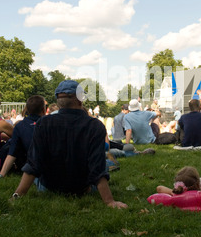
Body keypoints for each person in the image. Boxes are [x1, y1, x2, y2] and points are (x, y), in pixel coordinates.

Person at [12, 80, 127, 209]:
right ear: (80, 99)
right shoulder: (94, 125)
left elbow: (34, 163)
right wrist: (109, 201)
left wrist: (17, 195)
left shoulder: (43, 123)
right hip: (82, 188)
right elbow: (97, 168)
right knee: (107, 162)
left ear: (57, 101)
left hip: (49, 187)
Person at [0, 95, 46, 178]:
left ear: (26, 109)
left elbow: (12, 152)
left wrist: (1, 175)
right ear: (44, 109)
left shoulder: (20, 126)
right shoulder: (50, 124)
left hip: (27, 166)